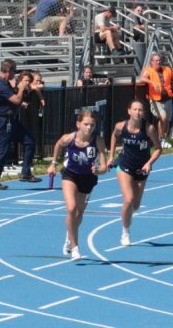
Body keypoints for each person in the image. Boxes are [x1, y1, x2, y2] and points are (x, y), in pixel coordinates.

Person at [47, 110, 108, 261]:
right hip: (70, 174)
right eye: (86, 124)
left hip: (88, 178)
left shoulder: (98, 141)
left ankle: (69, 236)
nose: (89, 128)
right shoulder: (69, 138)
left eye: (92, 125)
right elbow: (58, 145)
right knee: (71, 209)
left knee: (79, 213)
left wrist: (98, 171)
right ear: (78, 124)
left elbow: (105, 168)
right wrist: (53, 164)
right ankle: (75, 247)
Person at [107, 99, 162, 246]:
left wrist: (149, 163)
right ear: (129, 111)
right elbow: (114, 135)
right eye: (135, 109)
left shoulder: (149, 129)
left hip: (142, 167)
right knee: (129, 199)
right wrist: (111, 156)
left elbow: (158, 148)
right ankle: (125, 232)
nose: (137, 112)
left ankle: (127, 217)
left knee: (136, 205)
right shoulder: (121, 126)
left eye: (140, 110)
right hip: (124, 164)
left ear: (144, 113)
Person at [0, 60, 41, 189]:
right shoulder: (0, 85)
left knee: (30, 142)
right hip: (4, 121)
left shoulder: (6, 83)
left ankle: (26, 173)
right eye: (14, 71)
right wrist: (21, 88)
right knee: (3, 151)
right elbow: (16, 99)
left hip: (12, 119)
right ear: (8, 71)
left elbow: (11, 100)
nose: (14, 74)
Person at [141, 54, 173, 149]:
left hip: (167, 98)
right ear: (151, 62)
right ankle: (160, 139)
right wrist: (153, 83)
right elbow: (143, 78)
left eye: (159, 60)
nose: (158, 62)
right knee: (163, 117)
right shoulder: (149, 71)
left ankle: (164, 140)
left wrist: (172, 85)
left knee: (167, 120)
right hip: (156, 99)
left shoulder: (167, 70)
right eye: (156, 60)